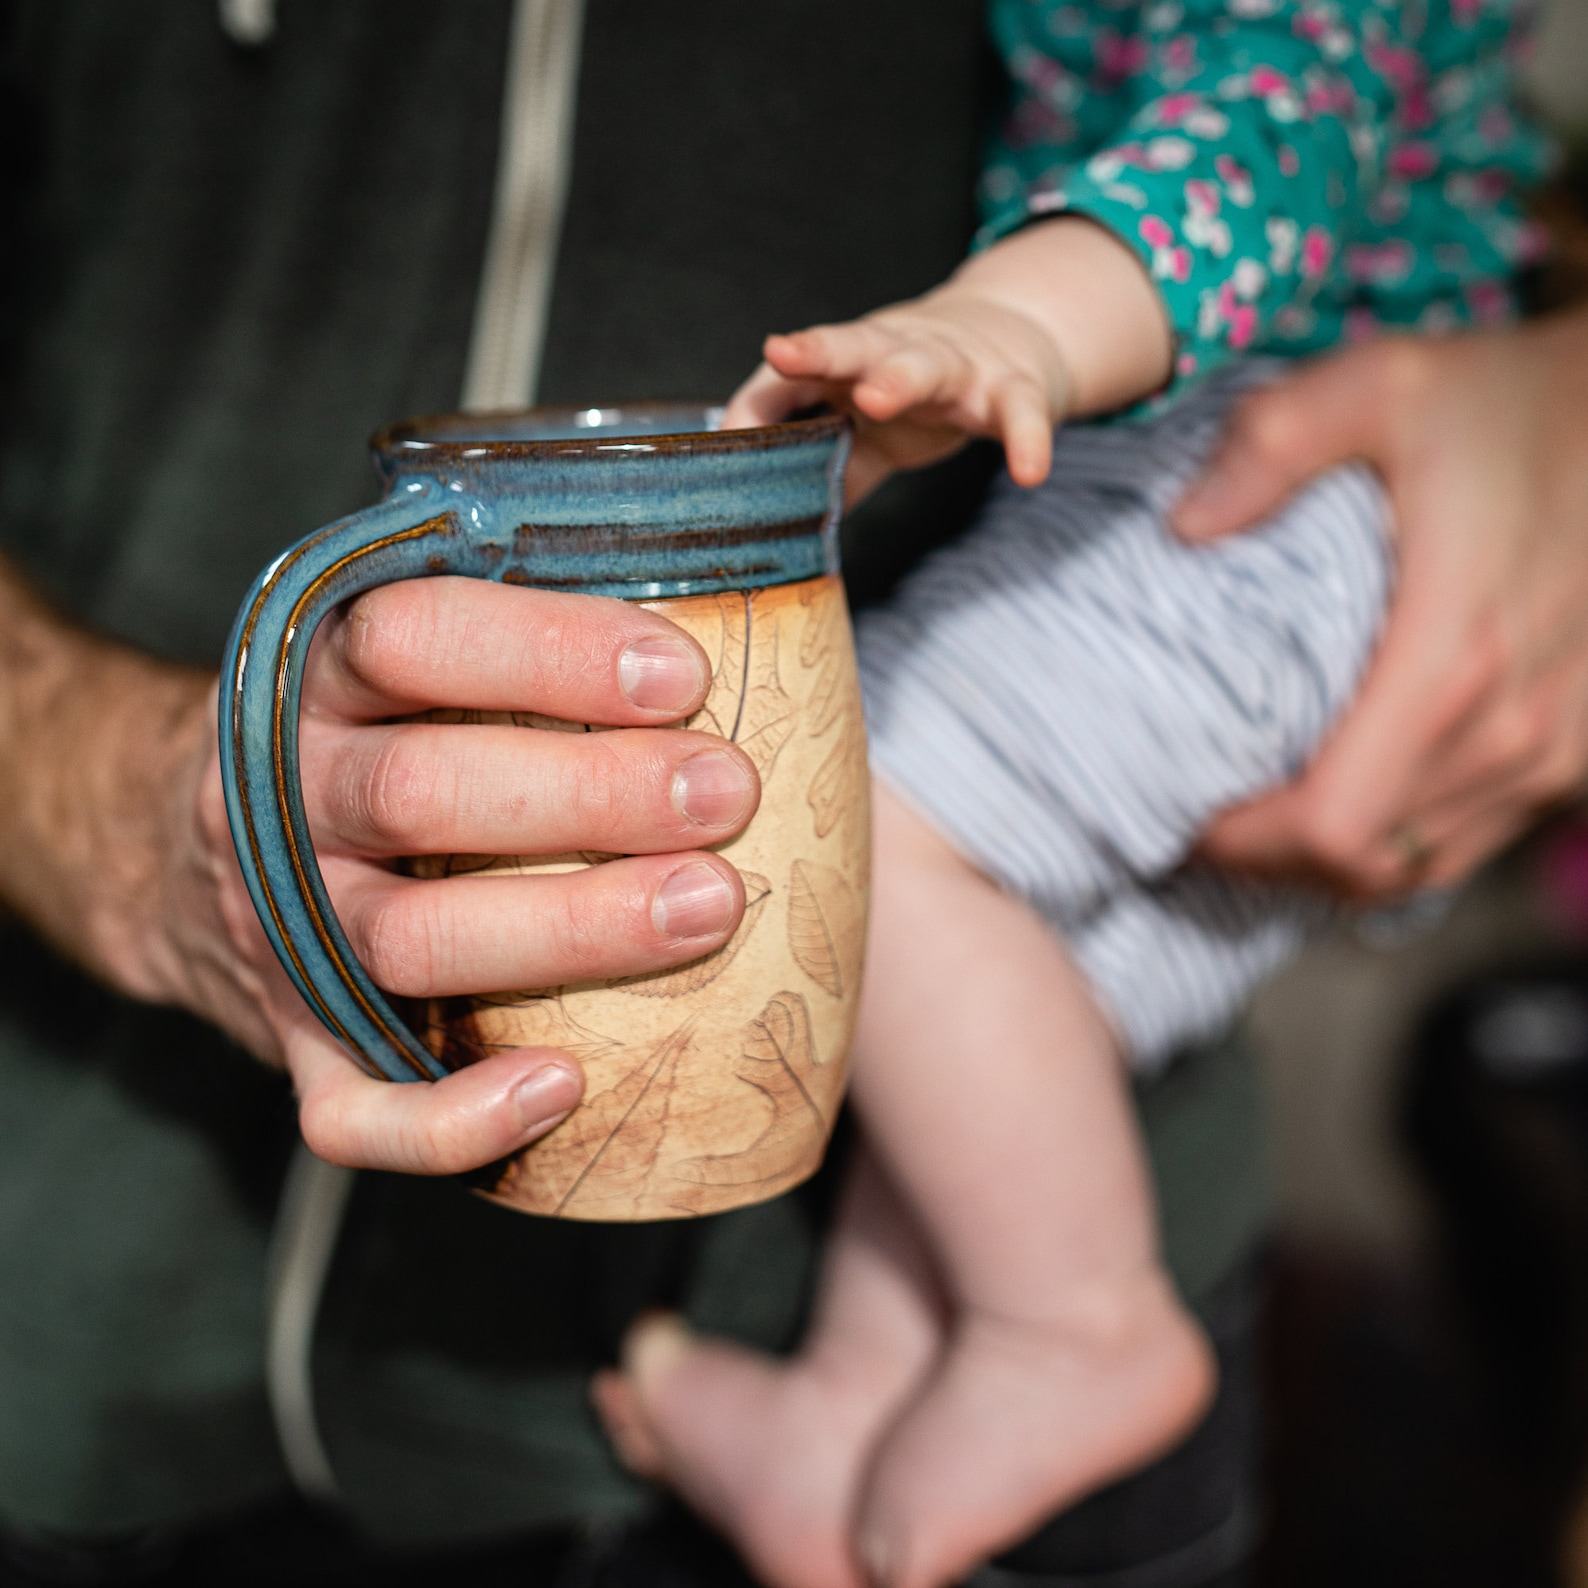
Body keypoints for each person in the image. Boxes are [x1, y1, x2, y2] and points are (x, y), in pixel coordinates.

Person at [586, 4, 1558, 1586]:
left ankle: (1078, 1323)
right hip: (1257, 526)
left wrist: (1012, 326)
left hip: (1281, 492)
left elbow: (1268, 130)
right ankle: (859, 1409)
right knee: (989, 1014)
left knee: (859, 813)